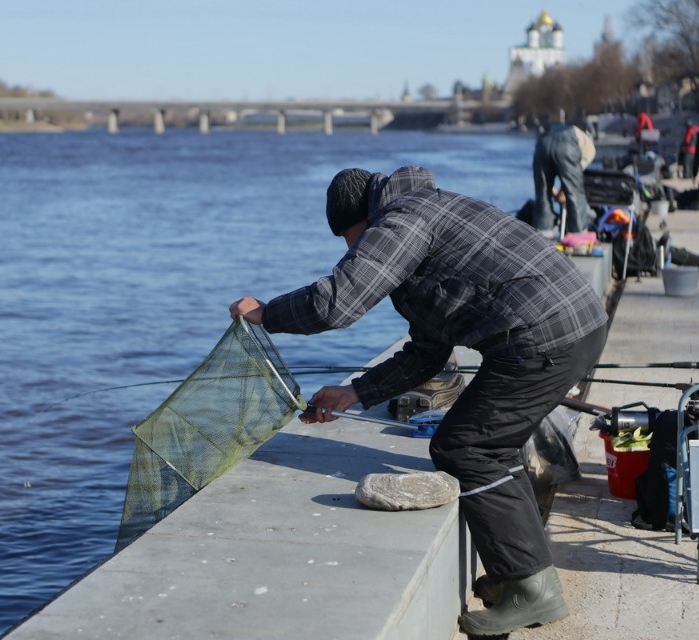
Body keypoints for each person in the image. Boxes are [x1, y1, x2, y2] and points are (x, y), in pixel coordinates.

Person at [229, 166, 609, 637]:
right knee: (491, 442)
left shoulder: (401, 220)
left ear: (361, 220)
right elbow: (428, 351)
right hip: (574, 322)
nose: (354, 254)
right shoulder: (430, 213)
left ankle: (533, 592)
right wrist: (355, 393)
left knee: (466, 447)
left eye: (352, 242)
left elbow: (336, 303)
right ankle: (521, 574)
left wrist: (267, 313)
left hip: (543, 337)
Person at [532, 124, 596, 236]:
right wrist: (564, 191)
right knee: (575, 194)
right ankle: (578, 235)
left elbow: (544, 183)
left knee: (542, 193)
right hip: (567, 145)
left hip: (543, 143)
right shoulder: (589, 149)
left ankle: (543, 232)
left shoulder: (571, 132)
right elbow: (572, 179)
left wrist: (556, 192)